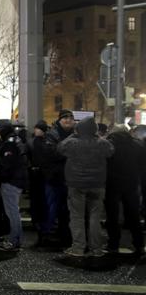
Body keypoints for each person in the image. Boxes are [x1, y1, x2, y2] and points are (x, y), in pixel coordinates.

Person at [58, 117, 114, 257]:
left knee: (77, 217)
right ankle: (96, 249)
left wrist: (74, 134)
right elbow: (111, 151)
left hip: (76, 184)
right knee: (95, 217)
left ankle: (78, 248)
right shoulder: (102, 143)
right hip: (97, 184)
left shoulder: (72, 142)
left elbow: (60, 148)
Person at [104, 125, 144, 256]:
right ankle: (139, 244)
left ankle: (113, 244)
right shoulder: (138, 145)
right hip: (131, 184)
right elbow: (143, 165)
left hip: (112, 184)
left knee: (112, 216)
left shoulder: (108, 144)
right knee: (133, 215)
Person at [41, 109, 75, 247]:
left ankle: (64, 235)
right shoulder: (52, 134)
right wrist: (68, 151)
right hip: (54, 178)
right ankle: (47, 235)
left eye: (70, 118)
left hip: (70, 178)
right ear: (59, 120)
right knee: (52, 207)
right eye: (65, 118)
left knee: (67, 210)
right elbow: (51, 154)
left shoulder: (75, 134)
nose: (68, 120)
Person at [0, 124, 28, 251]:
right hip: (18, 180)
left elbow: (6, 164)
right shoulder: (17, 139)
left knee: (12, 212)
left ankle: (14, 240)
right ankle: (17, 238)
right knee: (14, 211)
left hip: (11, 182)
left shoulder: (9, 143)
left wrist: (1, 176)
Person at [28, 120, 48, 246]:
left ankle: (39, 223)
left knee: (41, 201)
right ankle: (37, 222)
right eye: (37, 128)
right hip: (36, 175)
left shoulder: (40, 142)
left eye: (40, 129)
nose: (37, 131)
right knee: (37, 200)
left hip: (41, 176)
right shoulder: (33, 142)